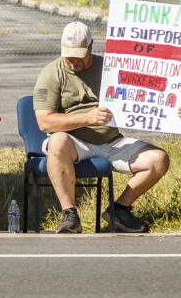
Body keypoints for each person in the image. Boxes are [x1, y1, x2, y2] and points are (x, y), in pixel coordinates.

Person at [33, 21, 170, 233]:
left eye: (79, 54)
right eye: (69, 54)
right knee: (57, 142)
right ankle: (70, 215)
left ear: (91, 47)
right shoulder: (51, 73)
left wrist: (172, 110)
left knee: (158, 160)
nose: (73, 60)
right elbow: (45, 122)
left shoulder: (110, 68)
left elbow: (147, 96)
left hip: (112, 140)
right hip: (74, 142)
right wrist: (87, 118)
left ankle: (120, 210)